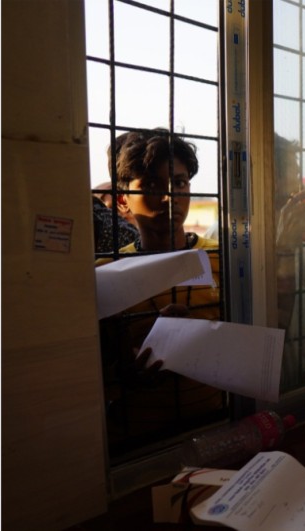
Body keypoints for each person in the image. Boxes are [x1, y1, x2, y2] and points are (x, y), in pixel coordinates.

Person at [97, 128, 225, 454]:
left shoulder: (222, 259)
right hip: (137, 444)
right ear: (123, 199)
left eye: (179, 183)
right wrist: (122, 373)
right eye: (152, 185)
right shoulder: (105, 273)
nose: (170, 197)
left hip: (215, 429)